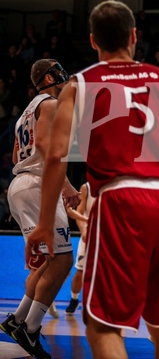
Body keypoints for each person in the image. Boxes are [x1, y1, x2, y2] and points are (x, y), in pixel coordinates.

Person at [25, 0, 159, 359]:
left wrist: (45, 222)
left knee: (102, 326)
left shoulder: (80, 83)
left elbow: (57, 154)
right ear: (134, 36)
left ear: (93, 41)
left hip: (122, 199)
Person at [1, 59, 80, 359]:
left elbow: (14, 154)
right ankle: (30, 328)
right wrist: (67, 187)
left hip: (19, 184)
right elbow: (48, 148)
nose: (65, 75)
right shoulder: (48, 104)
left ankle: (18, 320)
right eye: (60, 71)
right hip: (37, 183)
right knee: (62, 261)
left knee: (46, 262)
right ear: (50, 77)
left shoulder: (25, 113)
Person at [65, 183, 91, 315]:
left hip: (109, 234)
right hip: (89, 233)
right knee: (80, 270)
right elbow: (78, 212)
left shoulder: (116, 186)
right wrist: (84, 230)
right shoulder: (86, 187)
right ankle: (74, 299)